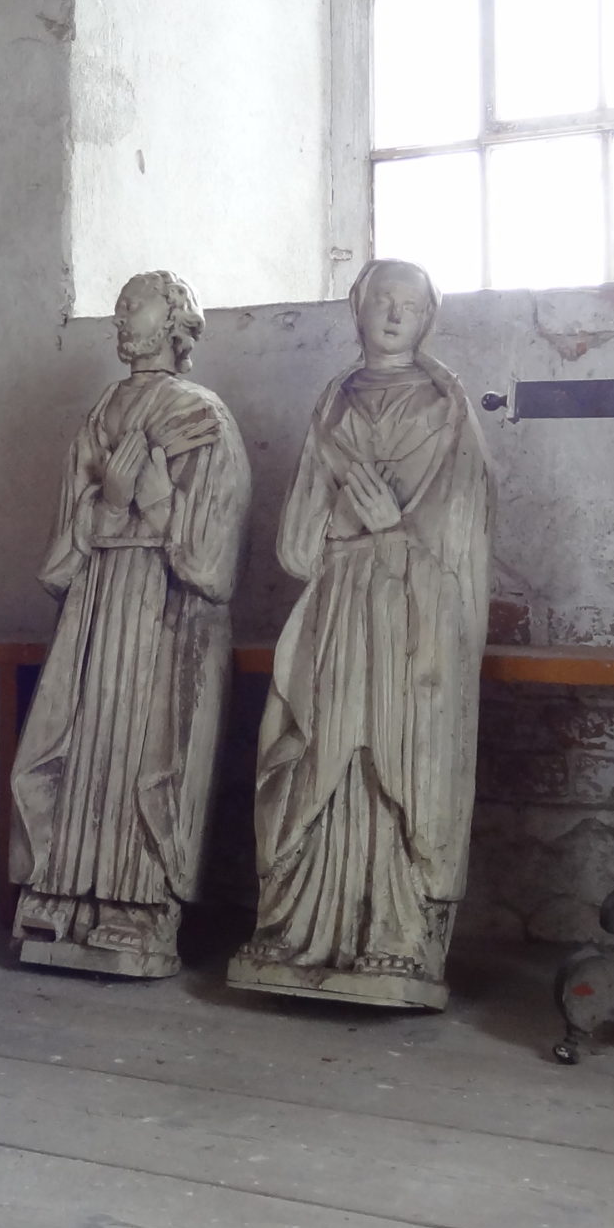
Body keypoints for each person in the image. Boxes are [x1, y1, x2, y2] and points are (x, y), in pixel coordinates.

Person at [230, 258, 494, 1005]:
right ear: (359, 306)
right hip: (340, 610)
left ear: (429, 317)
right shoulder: (334, 405)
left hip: (412, 617)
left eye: (411, 304)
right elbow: (296, 541)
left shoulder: (446, 407)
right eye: (384, 300)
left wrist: (398, 531)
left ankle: (397, 938)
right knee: (322, 745)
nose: (396, 315)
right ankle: (300, 928)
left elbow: (466, 525)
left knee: (396, 750)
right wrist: (348, 520)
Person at [6, 271, 251, 975]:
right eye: (115, 309)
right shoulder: (102, 412)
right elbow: (68, 531)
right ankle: (62, 889)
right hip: (97, 602)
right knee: (81, 736)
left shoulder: (202, 416)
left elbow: (213, 556)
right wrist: (110, 502)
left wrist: (158, 502)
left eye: (132, 308)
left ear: (174, 321)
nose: (119, 320)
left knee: (144, 746)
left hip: (164, 609)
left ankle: (136, 904)